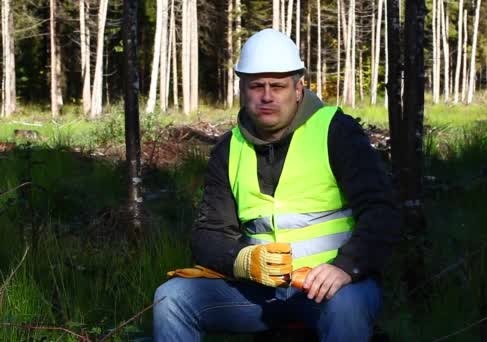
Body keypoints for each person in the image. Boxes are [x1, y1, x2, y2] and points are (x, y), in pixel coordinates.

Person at [153, 28, 400, 342]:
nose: (267, 95)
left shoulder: (337, 132)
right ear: (242, 89)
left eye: (278, 86)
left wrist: (345, 266)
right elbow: (207, 235)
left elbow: (382, 213)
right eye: (257, 86)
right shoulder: (228, 149)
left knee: (346, 306)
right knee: (171, 298)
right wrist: (243, 261)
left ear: (298, 89)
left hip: (334, 288)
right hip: (258, 294)